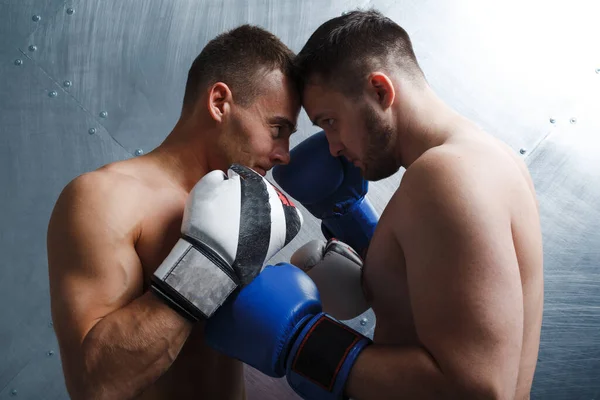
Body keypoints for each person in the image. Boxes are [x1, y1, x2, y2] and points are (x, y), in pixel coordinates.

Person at [204, 9, 544, 400]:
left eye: (330, 120)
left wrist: (303, 343)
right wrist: (360, 229)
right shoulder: (494, 160)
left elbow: (480, 388)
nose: (332, 146)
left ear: (380, 91)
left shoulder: (446, 176)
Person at [46, 24, 306, 400]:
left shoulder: (244, 206)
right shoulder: (103, 198)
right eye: (277, 128)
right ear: (219, 102)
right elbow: (95, 385)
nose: (284, 153)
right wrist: (202, 271)